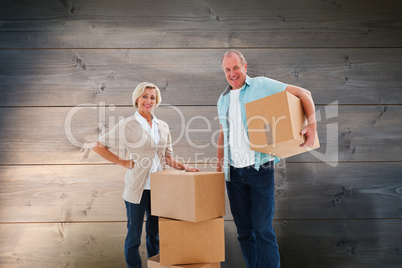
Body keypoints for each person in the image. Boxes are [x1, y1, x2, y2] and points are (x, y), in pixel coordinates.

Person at [216, 50, 317, 268]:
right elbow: (224, 134)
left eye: (235, 67)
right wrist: (218, 168)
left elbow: (303, 93)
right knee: (244, 232)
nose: (232, 73)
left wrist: (312, 126)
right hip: (233, 174)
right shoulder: (222, 100)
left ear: (245, 67)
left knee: (263, 230)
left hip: (259, 170)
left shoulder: (261, 85)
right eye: (227, 69)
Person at [93, 82, 199, 268]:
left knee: (155, 236)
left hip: (159, 189)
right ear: (137, 98)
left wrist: (185, 168)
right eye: (145, 96)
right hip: (137, 189)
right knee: (134, 237)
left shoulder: (162, 126)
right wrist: (123, 162)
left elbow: (167, 158)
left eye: (152, 97)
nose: (149, 100)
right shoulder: (127, 125)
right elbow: (98, 146)